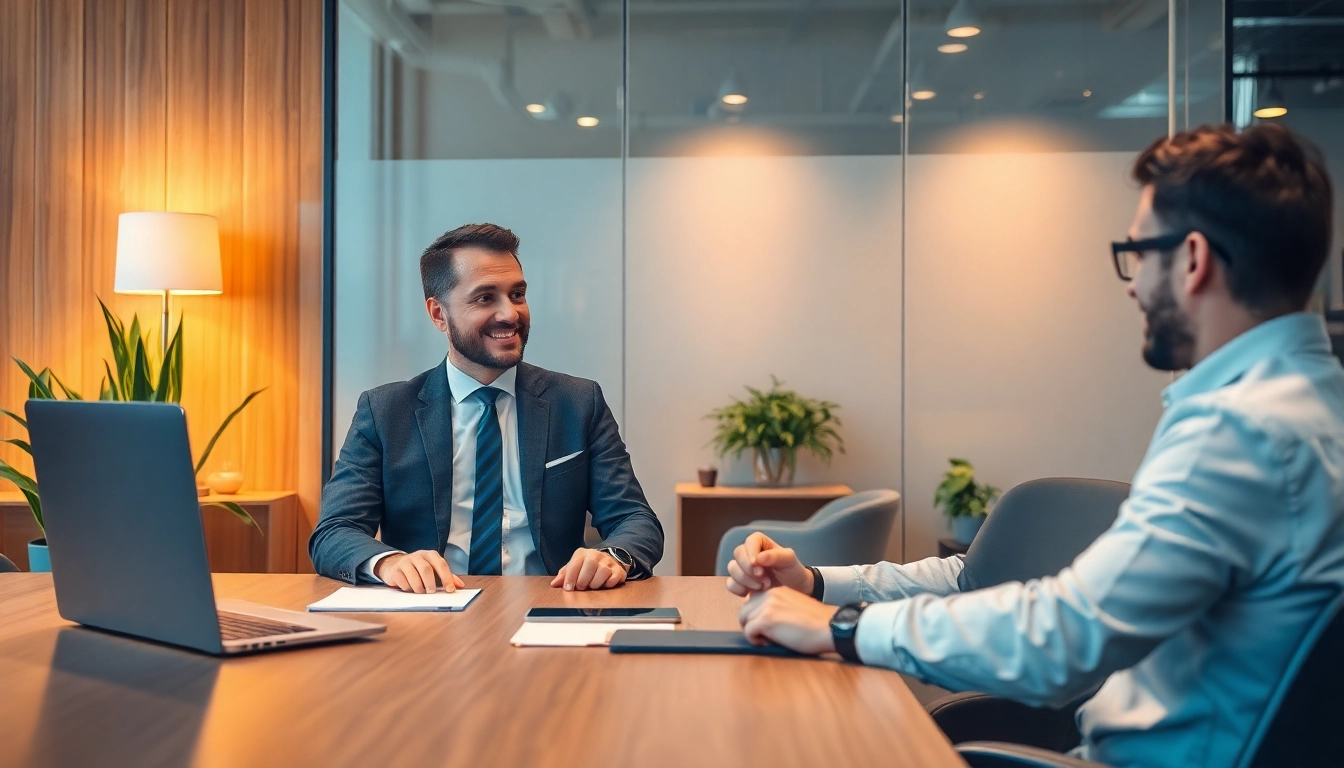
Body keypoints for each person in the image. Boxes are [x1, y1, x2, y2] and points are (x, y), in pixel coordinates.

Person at [725, 123, 1343, 767]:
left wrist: (844, 629)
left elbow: (1067, 637)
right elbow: (989, 587)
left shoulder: (1240, 432)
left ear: (1192, 260)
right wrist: (821, 585)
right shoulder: (1307, 410)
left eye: (1138, 253)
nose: (1131, 284)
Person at [312, 223, 663, 592]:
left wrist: (613, 556)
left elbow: (635, 519)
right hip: (430, 614)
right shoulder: (385, 412)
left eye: (517, 294)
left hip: (548, 608)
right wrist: (390, 562)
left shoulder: (577, 403)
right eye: (485, 298)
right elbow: (335, 531)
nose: (510, 314)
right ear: (438, 315)